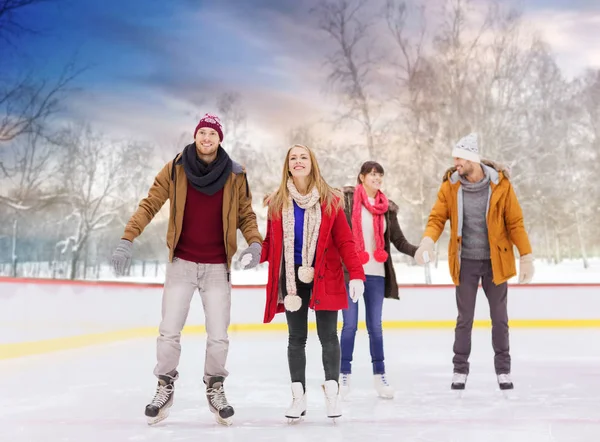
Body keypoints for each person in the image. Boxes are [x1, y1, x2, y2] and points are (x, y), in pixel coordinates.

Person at [110, 113, 263, 426]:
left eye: (213, 134)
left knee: (219, 335)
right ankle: (164, 385)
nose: (207, 139)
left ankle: (216, 386)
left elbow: (246, 214)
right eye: (202, 133)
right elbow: (149, 203)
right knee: (169, 332)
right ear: (196, 136)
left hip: (218, 265)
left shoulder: (235, 173)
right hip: (182, 262)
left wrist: (255, 243)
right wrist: (128, 238)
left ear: (220, 139)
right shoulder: (176, 168)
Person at [414, 133, 534, 391]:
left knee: (500, 318)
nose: (455, 162)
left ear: (471, 158)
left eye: (459, 157)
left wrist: (526, 255)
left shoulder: (501, 185)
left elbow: (515, 223)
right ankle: (460, 369)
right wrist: (427, 241)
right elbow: (437, 218)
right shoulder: (451, 185)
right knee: (464, 318)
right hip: (465, 261)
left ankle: (503, 370)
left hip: (496, 262)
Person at [260, 144, 366, 422]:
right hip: (292, 278)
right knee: (296, 338)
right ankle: (299, 398)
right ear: (287, 165)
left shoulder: (330, 200)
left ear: (312, 163)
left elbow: (345, 240)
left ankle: (332, 395)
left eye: (303, 157)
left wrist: (356, 273)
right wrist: (253, 252)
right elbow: (270, 243)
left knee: (328, 336)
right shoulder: (277, 202)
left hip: (324, 275)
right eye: (293, 158)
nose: (298, 161)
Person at [339, 161, 418, 399]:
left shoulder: (387, 208)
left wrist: (418, 251)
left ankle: (380, 377)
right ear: (361, 177)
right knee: (350, 325)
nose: (377, 178)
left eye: (380, 175)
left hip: (376, 274)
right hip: (351, 273)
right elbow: (337, 235)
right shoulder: (347, 202)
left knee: (375, 327)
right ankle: (343, 375)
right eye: (372, 174)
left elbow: (399, 241)